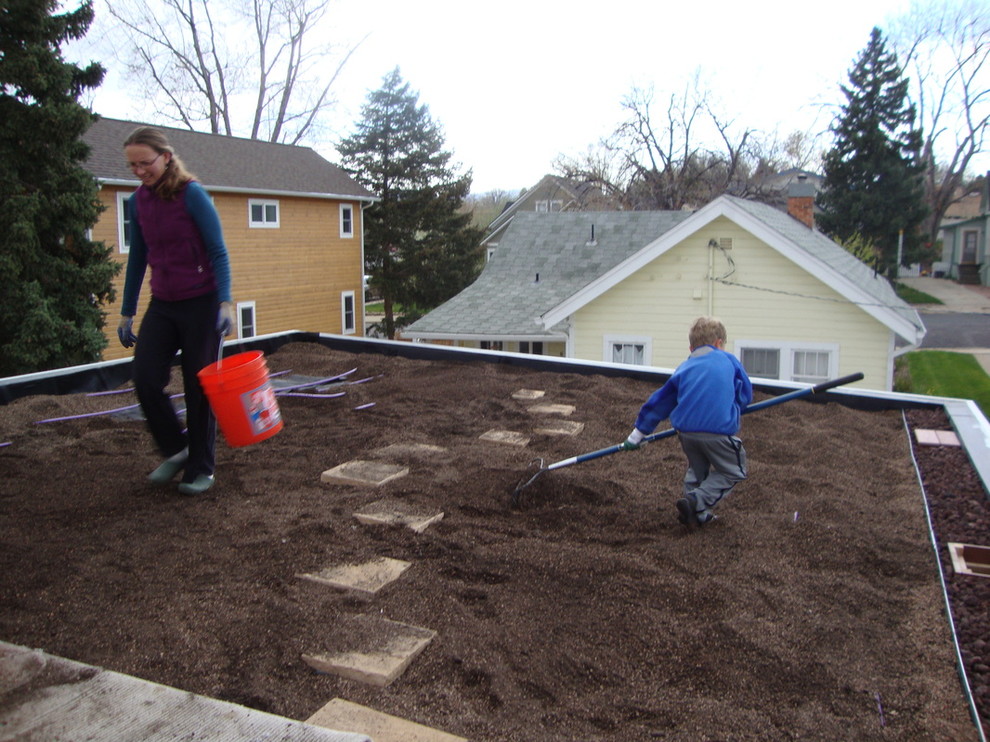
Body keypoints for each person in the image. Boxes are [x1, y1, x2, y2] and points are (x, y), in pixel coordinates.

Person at [116, 126, 235, 496]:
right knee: (145, 377)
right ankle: (177, 448)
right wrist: (127, 311)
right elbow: (138, 257)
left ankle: (202, 468)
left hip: (202, 302)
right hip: (163, 303)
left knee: (199, 387)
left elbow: (218, 250)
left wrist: (226, 301)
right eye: (132, 165)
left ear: (166, 157)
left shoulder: (192, 195)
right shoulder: (138, 203)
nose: (138, 171)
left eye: (144, 163)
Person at [622, 316, 752, 526]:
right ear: (719, 344)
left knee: (697, 469)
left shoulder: (684, 368)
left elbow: (660, 402)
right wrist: (734, 406)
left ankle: (694, 515)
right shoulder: (729, 360)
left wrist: (636, 436)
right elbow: (745, 394)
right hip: (717, 431)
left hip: (687, 434)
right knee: (734, 470)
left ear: (691, 347)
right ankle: (696, 501)